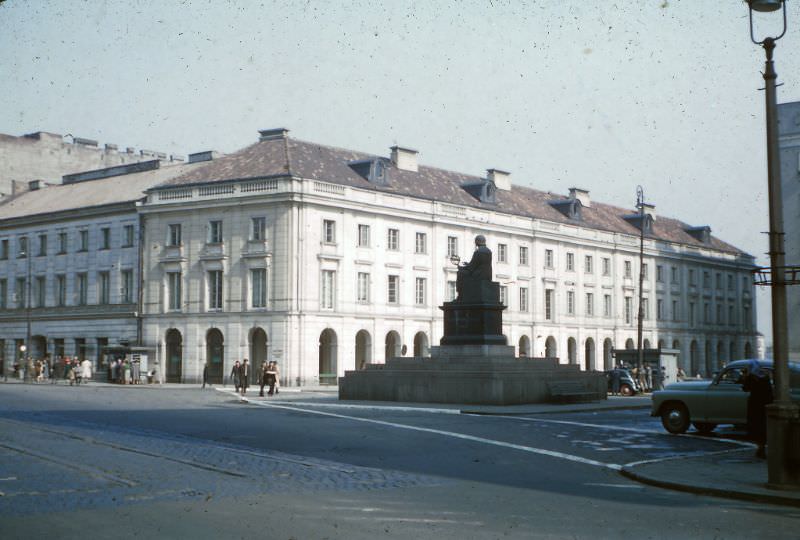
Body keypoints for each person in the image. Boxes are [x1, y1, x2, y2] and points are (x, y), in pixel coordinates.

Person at [742, 363, 774, 459]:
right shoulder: (765, 377)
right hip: (765, 404)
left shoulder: (752, 377)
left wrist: (745, 376)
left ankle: (761, 448)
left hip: (755, 405)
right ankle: (762, 447)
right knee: (763, 426)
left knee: (756, 426)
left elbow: (745, 388)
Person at [455, 235, 493, 300]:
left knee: (460, 273)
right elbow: (479, 263)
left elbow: (472, 267)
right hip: (488, 274)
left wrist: (461, 268)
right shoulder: (489, 251)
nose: (475, 243)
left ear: (477, 242)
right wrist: (468, 265)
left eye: (475, 241)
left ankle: (460, 296)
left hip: (479, 275)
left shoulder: (478, 251)